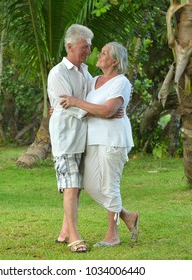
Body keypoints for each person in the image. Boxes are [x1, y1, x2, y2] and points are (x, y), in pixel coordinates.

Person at [60, 42, 139, 247]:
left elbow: (107, 111)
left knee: (110, 187)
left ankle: (112, 235)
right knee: (91, 186)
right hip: (92, 139)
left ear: (114, 61)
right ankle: (127, 216)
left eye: (104, 53)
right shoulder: (94, 80)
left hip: (113, 140)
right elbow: (91, 109)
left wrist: (77, 102)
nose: (99, 55)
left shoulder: (121, 82)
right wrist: (63, 109)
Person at [47, 24, 93, 253]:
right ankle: (73, 237)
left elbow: (87, 100)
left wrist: (95, 106)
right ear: (70, 46)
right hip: (65, 137)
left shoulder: (86, 72)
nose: (89, 51)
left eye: (90, 47)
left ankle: (65, 231)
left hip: (83, 137)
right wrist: (98, 110)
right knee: (70, 186)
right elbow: (68, 106)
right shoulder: (58, 73)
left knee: (76, 187)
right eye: (85, 46)